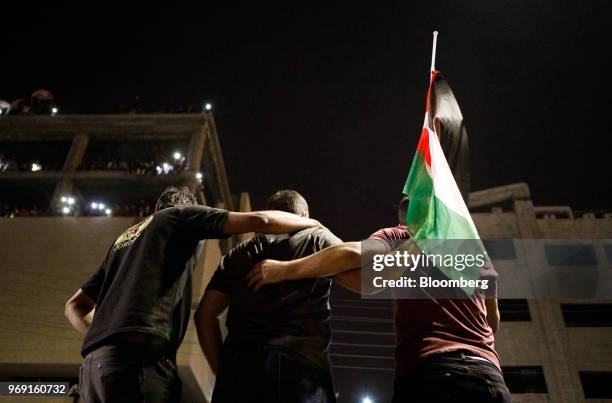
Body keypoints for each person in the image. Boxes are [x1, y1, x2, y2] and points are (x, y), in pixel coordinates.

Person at [64, 186, 322, 403]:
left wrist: (105, 335)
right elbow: (261, 221)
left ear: (155, 208)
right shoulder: (179, 217)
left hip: (93, 367)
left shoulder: (122, 241)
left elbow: (74, 305)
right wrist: (311, 223)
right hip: (140, 361)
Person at [248, 197, 511, 402]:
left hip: (432, 373)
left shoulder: (401, 236)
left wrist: (287, 269)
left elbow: (353, 255)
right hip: (489, 378)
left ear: (405, 219)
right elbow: (492, 321)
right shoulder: (473, 251)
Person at [195, 190, 343, 403]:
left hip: (239, 365)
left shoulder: (237, 254)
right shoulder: (317, 237)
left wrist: (224, 372)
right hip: (299, 369)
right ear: (304, 217)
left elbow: (204, 316)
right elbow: (361, 271)